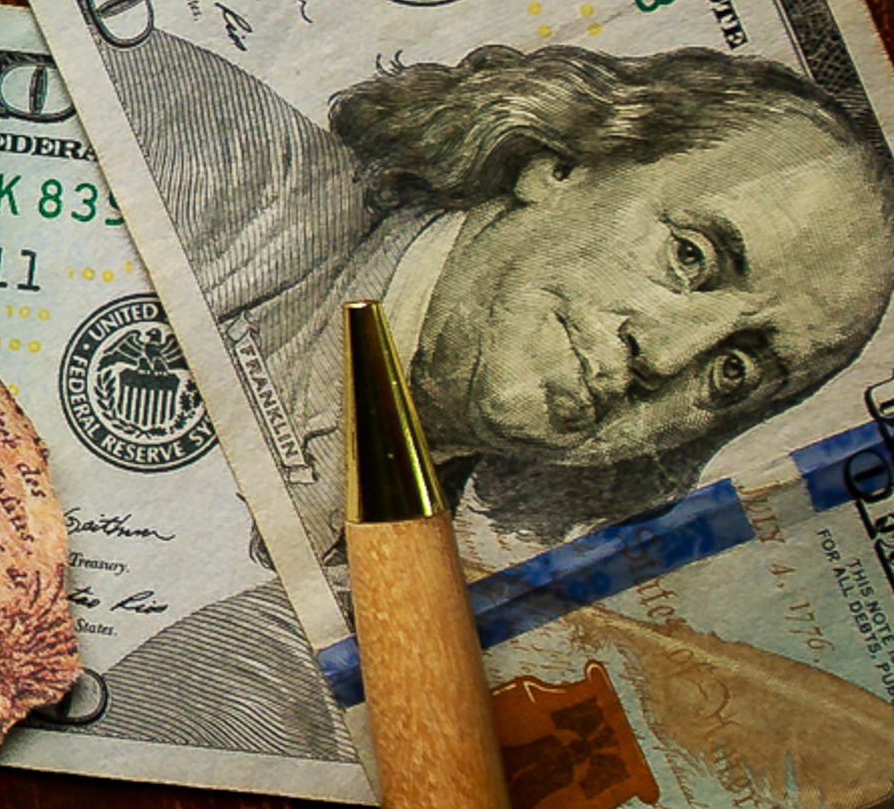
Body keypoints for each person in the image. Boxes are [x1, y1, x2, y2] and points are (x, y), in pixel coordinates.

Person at [109, 33, 894, 552]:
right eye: (691, 256)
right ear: (561, 165)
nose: (668, 355)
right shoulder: (192, 152)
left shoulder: (436, 585)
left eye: (737, 372)